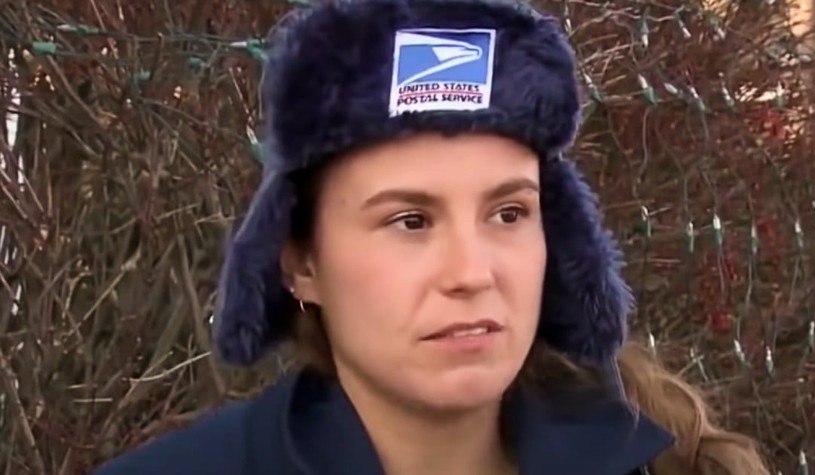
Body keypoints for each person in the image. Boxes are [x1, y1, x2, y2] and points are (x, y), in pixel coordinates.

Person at [95, 0, 771, 473]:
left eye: (508, 213)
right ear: (300, 260)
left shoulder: (671, 461)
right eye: (410, 221)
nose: (472, 271)